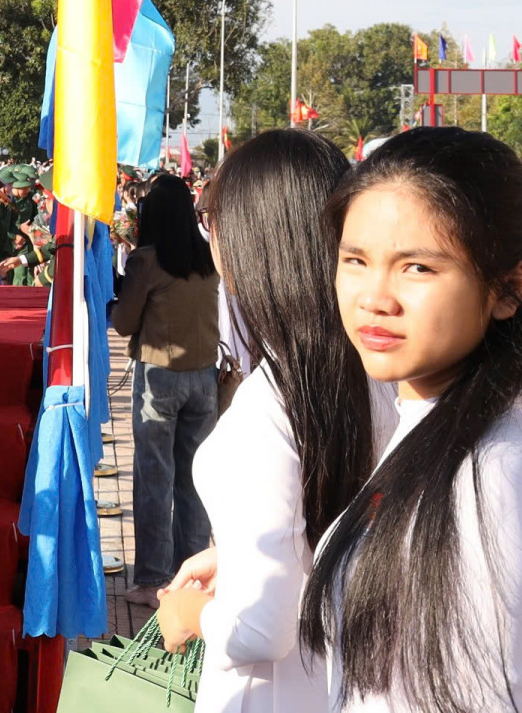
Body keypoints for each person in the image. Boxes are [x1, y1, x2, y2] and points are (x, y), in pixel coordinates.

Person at [298, 128, 522, 712]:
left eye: (417, 268)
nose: (374, 297)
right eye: (355, 260)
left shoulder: (490, 476)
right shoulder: (430, 428)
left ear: (509, 289)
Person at [152, 131, 384, 710]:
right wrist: (234, 552)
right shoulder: (375, 373)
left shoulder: (267, 407)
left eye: (213, 219)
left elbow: (261, 629)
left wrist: (189, 616)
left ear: (251, 237)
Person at [109, 173, 219, 606]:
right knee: (194, 479)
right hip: (205, 378)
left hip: (160, 378)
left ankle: (152, 578)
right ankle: (191, 574)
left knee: (154, 478)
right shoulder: (207, 255)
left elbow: (123, 323)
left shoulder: (147, 261)